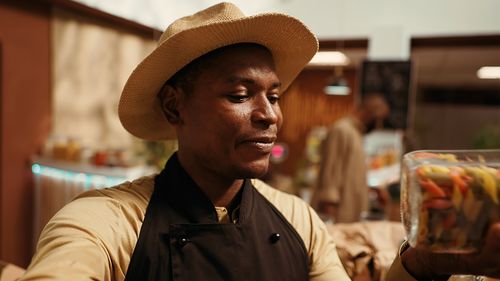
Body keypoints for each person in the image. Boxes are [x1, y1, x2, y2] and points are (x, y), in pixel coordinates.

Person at [20, 2, 500, 281]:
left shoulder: (298, 220)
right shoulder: (102, 222)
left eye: (273, 95)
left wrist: (423, 262)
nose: (269, 114)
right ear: (174, 107)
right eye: (239, 94)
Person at [311, 94, 389, 223]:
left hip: (350, 218)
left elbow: (350, 175)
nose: (379, 125)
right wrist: (330, 220)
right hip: (338, 217)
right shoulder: (341, 130)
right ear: (370, 112)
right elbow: (330, 177)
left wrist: (372, 189)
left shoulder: (355, 134)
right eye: (379, 119)